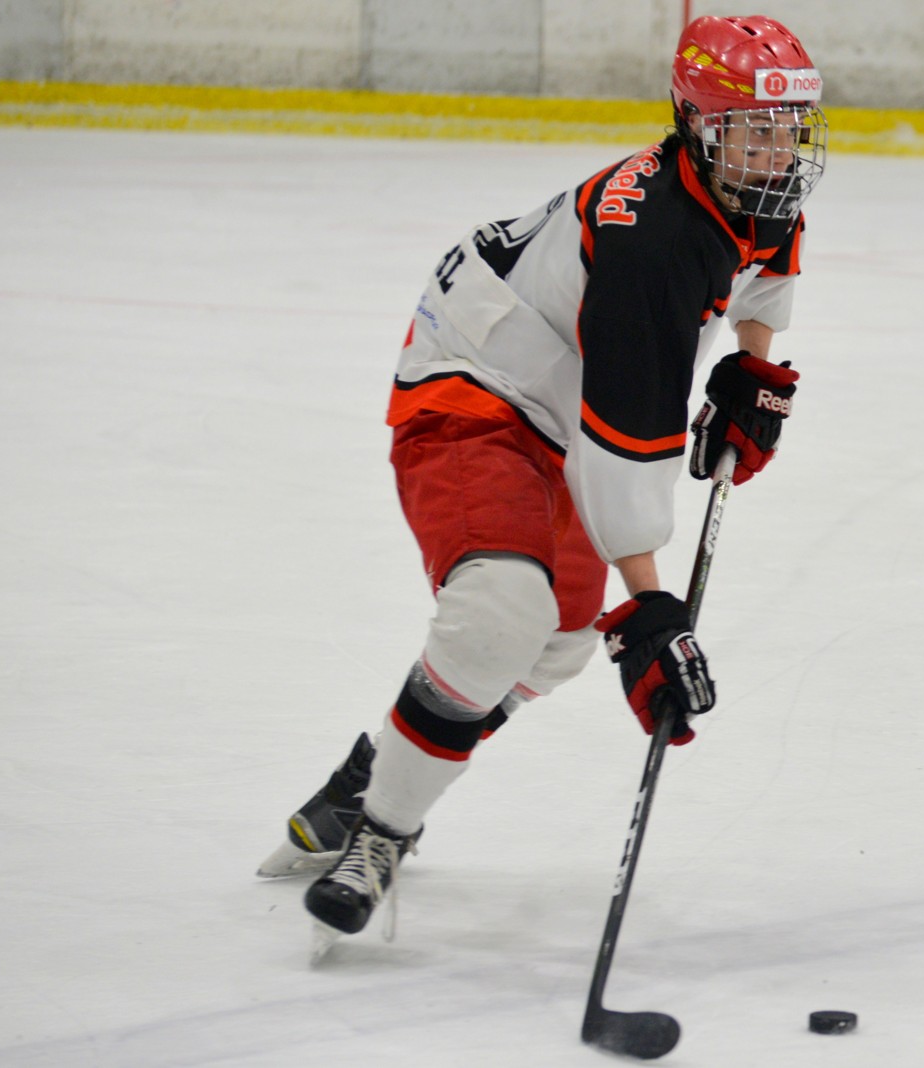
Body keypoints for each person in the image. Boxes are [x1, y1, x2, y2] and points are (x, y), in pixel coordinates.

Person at [257, 14, 829, 951]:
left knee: (559, 640)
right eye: (753, 130)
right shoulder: (649, 243)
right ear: (697, 125)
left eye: (788, 130)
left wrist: (754, 368)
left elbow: (767, 264)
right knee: (499, 614)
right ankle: (382, 834)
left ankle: (379, 771)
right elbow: (624, 447)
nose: (776, 152)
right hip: (474, 380)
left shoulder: (751, 183)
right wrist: (650, 611)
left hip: (553, 395)